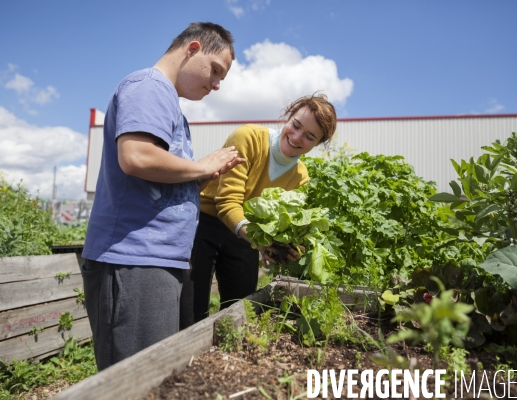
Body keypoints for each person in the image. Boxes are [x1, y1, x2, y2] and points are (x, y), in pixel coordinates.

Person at [81, 22, 244, 371]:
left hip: (158, 259)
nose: (216, 85)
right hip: (134, 259)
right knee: (135, 379)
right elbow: (137, 156)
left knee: (158, 377)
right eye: (215, 71)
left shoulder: (169, 102)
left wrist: (206, 175)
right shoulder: (149, 87)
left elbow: (161, 183)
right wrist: (202, 167)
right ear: (193, 48)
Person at [180, 93, 337, 328]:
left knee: (241, 308)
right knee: (192, 313)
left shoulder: (300, 176)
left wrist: (289, 247)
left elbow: (285, 223)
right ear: (288, 117)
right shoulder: (249, 137)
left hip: (247, 235)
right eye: (295, 125)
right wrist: (259, 241)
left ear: (317, 144)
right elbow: (227, 203)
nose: (296, 137)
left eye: (309, 137)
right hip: (204, 222)